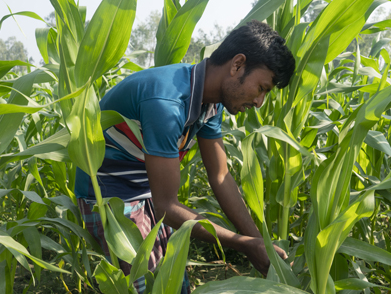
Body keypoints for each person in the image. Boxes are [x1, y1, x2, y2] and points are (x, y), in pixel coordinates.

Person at [75, 20, 295, 293]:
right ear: (237, 65)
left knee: (175, 284)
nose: (260, 102)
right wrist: (241, 243)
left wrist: (257, 242)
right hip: (111, 196)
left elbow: (220, 175)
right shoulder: (166, 103)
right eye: (262, 88)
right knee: (148, 286)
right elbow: (167, 206)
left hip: (149, 190)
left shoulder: (211, 102)